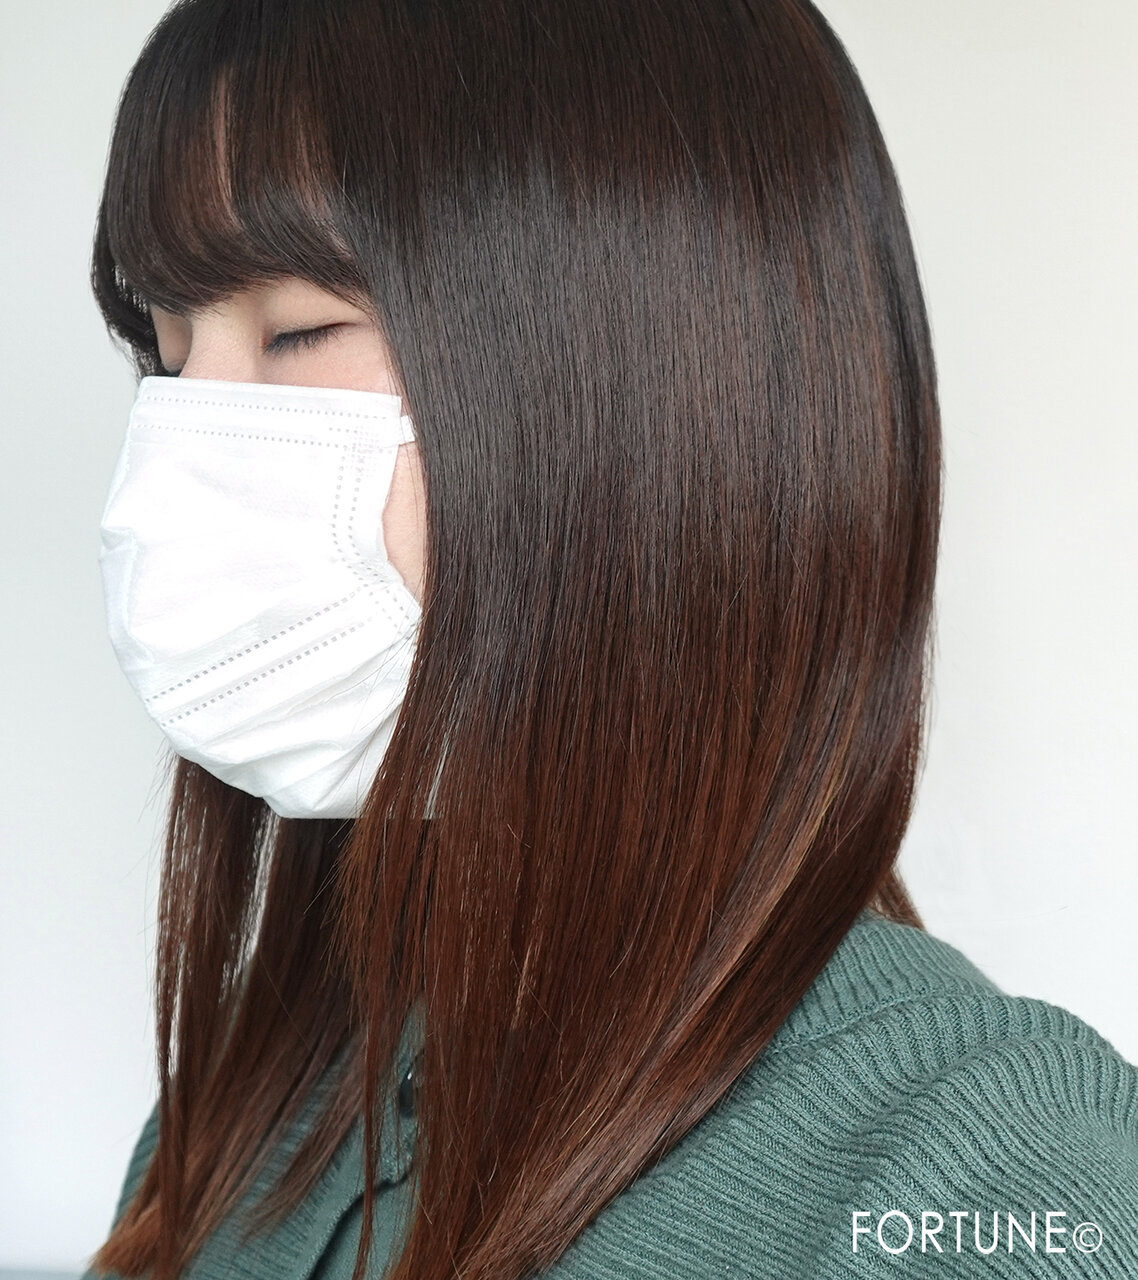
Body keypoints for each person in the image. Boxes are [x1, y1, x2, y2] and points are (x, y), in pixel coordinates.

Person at [82, 0, 1138, 1278]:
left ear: (637, 371)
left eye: (297, 329)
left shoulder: (984, 1176)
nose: (180, 450)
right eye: (166, 352)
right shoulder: (256, 1100)